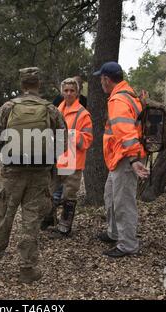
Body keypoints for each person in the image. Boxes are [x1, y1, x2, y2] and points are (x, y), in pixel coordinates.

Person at [0, 67, 67, 283]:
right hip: (39, 174)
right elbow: (64, 142)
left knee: (4, 218)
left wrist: (9, 154)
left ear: (22, 85)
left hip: (13, 172)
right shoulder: (51, 109)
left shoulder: (8, 107)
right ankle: (27, 269)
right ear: (39, 84)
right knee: (31, 221)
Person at [93, 61, 149, 258]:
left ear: (106, 80)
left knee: (123, 201)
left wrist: (134, 160)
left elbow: (125, 131)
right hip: (120, 157)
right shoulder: (129, 95)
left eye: (101, 78)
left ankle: (127, 244)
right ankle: (114, 233)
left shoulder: (118, 100)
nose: (101, 82)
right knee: (111, 196)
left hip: (126, 157)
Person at [42, 78, 93, 237]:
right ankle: (50, 219)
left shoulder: (83, 114)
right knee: (50, 192)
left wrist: (70, 135)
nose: (69, 93)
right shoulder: (57, 110)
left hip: (74, 163)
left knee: (68, 196)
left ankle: (64, 228)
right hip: (57, 161)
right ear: (62, 92)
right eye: (66, 90)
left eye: (72, 90)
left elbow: (87, 140)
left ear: (77, 93)